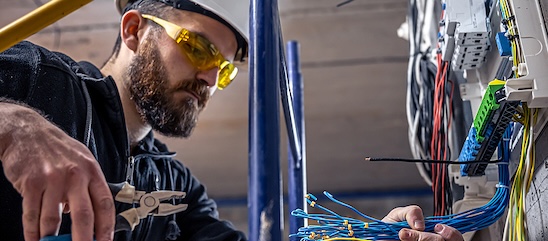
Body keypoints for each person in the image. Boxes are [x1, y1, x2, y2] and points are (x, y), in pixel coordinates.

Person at [0, 0, 466, 241]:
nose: (209, 78)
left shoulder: (176, 187)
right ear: (134, 30)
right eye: (199, 48)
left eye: (223, 69)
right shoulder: (43, 81)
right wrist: (15, 126)